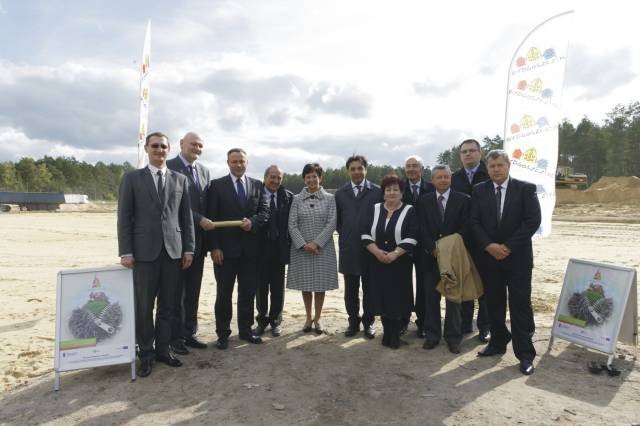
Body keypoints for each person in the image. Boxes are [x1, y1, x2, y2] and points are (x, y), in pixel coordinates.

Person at [117, 131, 195, 377]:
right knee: (144, 307)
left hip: (173, 253)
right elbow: (124, 218)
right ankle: (146, 353)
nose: (159, 150)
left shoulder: (180, 180)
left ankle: (163, 349)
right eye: (155, 146)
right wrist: (126, 251)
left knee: (168, 306)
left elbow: (186, 218)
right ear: (147, 149)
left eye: (163, 146)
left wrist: (189, 248)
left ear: (169, 150)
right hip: (143, 254)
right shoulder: (132, 179)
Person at [471, 150, 541, 375]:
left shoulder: (526, 189)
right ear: (487, 168)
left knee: (520, 304)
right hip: (490, 258)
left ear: (509, 165)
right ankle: (497, 342)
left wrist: (508, 247)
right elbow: (474, 222)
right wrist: (489, 245)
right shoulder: (479, 190)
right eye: (492, 166)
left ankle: (525, 354)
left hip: (518, 259)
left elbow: (532, 221)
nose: (496, 169)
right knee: (493, 303)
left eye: (500, 165)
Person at [206, 148, 270, 349]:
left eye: (241, 161)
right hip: (224, 253)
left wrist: (253, 222)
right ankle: (223, 334)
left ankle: (245, 330)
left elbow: (265, 212)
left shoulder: (257, 185)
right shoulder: (216, 186)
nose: (238, 164)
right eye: (234, 161)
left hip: (250, 252)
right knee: (223, 295)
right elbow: (211, 218)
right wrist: (214, 247)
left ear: (247, 163)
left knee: (247, 293)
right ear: (228, 163)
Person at [166, 132, 213, 354]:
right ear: (181, 144)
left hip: (199, 243)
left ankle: (189, 333)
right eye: (193, 144)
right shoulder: (168, 166)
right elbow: (172, 204)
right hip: (176, 241)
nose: (197, 148)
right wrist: (199, 219)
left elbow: (206, 204)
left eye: (200, 146)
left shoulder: (204, 171)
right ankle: (174, 338)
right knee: (176, 293)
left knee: (193, 291)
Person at [417, 165, 470, 354]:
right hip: (430, 259)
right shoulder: (423, 201)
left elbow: (466, 227)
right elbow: (420, 228)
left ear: (451, 178)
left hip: (453, 259)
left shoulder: (463, 200)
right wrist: (432, 248)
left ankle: (453, 338)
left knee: (453, 300)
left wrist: (448, 249)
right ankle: (432, 336)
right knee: (431, 298)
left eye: (446, 177)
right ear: (432, 180)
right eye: (439, 177)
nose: (442, 180)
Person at [361, 174, 418, 349]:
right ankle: (386, 333)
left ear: (402, 192)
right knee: (381, 297)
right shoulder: (374, 209)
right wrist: (377, 252)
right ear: (383, 192)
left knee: (397, 298)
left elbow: (413, 236)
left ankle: (395, 335)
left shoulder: (410, 210)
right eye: (388, 189)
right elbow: (364, 233)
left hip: (400, 262)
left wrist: (395, 254)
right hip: (377, 261)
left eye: (395, 189)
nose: (392, 192)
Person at [286, 163, 338, 334]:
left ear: (320, 178)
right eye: (308, 177)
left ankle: (318, 318)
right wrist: (304, 244)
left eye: (314, 176)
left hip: (323, 248)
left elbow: (332, 223)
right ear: (304, 179)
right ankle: (308, 317)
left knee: (320, 285)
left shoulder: (330, 199)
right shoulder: (296, 199)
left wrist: (316, 243)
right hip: (301, 249)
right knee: (306, 284)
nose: (311, 179)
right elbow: (292, 224)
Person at [335, 154, 382, 338]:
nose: (356, 172)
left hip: (371, 249)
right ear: (348, 171)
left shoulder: (377, 192)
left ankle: (369, 322)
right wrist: (348, 234)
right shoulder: (340, 193)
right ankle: (353, 322)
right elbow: (338, 222)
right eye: (352, 169)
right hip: (349, 248)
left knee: (370, 289)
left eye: (360, 168)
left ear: (365, 170)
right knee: (350, 290)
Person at [451, 138, 490, 343]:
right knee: (464, 283)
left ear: (480, 153)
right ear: (460, 156)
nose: (468, 154)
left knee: (485, 285)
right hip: (462, 240)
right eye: (464, 151)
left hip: (485, 240)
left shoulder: (490, 173)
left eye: (472, 150)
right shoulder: (454, 178)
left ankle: (485, 326)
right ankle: (465, 323)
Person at [253, 165, 293, 337]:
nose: (276, 181)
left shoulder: (288, 197)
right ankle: (261, 321)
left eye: (279, 178)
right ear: (265, 178)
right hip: (259, 249)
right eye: (272, 177)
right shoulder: (255, 194)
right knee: (260, 288)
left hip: (280, 249)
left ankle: (276, 321)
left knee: (278, 288)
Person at [401, 155, 435, 337]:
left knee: (424, 286)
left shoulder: (432, 188)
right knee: (403, 284)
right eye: (408, 166)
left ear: (422, 169)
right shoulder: (399, 188)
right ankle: (403, 320)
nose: (411, 169)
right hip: (403, 244)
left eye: (415, 166)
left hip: (425, 245)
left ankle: (423, 322)